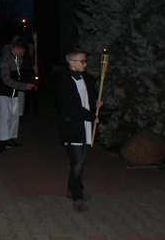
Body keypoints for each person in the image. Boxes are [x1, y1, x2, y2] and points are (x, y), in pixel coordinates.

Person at [56, 47, 103, 212]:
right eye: (82, 61)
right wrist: (90, 115)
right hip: (72, 125)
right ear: (71, 62)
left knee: (78, 161)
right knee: (78, 162)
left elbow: (91, 96)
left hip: (84, 125)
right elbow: (69, 107)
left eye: (85, 61)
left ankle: (72, 189)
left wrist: (96, 103)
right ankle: (77, 196)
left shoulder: (86, 79)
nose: (85, 64)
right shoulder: (64, 81)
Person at [0, 38, 37, 152]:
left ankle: (10, 139)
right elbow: (6, 79)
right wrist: (23, 86)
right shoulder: (5, 60)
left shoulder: (18, 58)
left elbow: (18, 73)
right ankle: (2, 142)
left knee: (14, 117)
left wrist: (31, 71)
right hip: (3, 92)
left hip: (13, 92)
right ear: (16, 48)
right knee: (3, 117)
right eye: (22, 51)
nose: (23, 54)